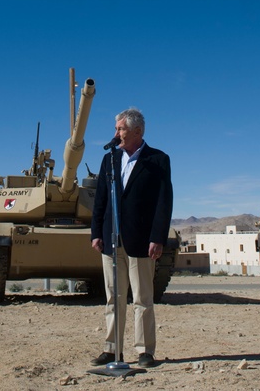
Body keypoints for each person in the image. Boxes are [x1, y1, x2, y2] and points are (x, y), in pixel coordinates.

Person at [90, 107, 174, 369]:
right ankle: (111, 348)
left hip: (141, 241)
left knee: (142, 298)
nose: (116, 134)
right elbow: (100, 200)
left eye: (121, 129)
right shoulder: (110, 160)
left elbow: (164, 202)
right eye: (116, 129)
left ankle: (145, 351)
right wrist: (96, 233)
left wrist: (158, 237)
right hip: (111, 240)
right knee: (114, 297)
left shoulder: (158, 160)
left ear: (137, 131)